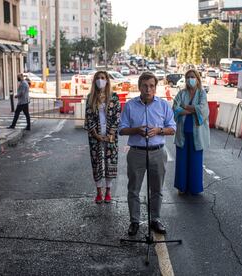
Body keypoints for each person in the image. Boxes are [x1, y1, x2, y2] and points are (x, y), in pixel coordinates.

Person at [119, 71, 176, 236]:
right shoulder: (130, 105)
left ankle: (155, 220)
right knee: (133, 189)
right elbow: (122, 130)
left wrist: (159, 130)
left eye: (151, 86)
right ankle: (134, 221)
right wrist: (136, 130)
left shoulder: (163, 105)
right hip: (136, 152)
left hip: (158, 152)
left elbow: (173, 128)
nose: (148, 89)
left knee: (157, 189)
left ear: (155, 87)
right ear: (139, 87)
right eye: (144, 86)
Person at [84, 71, 121, 204]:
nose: (100, 80)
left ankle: (108, 192)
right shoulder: (90, 97)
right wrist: (96, 135)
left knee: (110, 162)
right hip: (95, 136)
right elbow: (88, 117)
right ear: (94, 81)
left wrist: (110, 133)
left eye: (103, 78)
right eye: (98, 78)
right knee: (97, 162)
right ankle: (99, 192)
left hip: (111, 135)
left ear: (107, 80)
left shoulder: (114, 97)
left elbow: (117, 116)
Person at [172, 69, 210, 195]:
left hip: (197, 135)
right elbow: (175, 109)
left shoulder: (202, 94)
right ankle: (181, 187)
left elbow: (203, 109)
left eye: (192, 77)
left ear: (197, 79)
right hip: (183, 132)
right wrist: (193, 110)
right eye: (187, 77)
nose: (190, 79)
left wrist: (186, 107)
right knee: (181, 162)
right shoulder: (181, 93)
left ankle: (194, 188)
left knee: (195, 162)